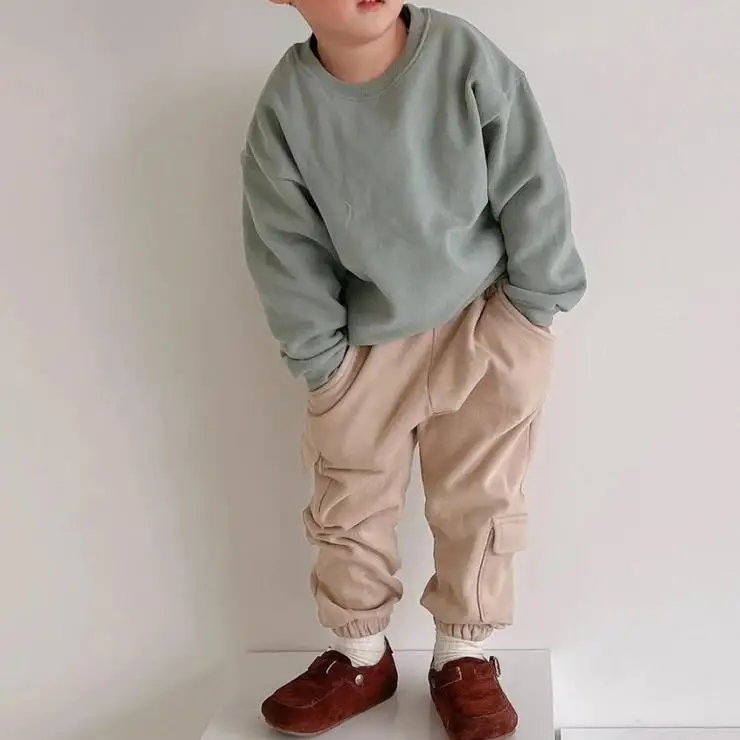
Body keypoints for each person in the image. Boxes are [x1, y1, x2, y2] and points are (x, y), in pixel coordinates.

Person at [242, 2, 586, 737]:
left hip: (484, 320)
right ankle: (361, 655)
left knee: (482, 497)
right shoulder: (286, 107)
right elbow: (284, 243)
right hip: (365, 343)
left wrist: (532, 307)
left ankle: (464, 654)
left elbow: (531, 178)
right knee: (348, 500)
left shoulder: (463, 57)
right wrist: (322, 362)